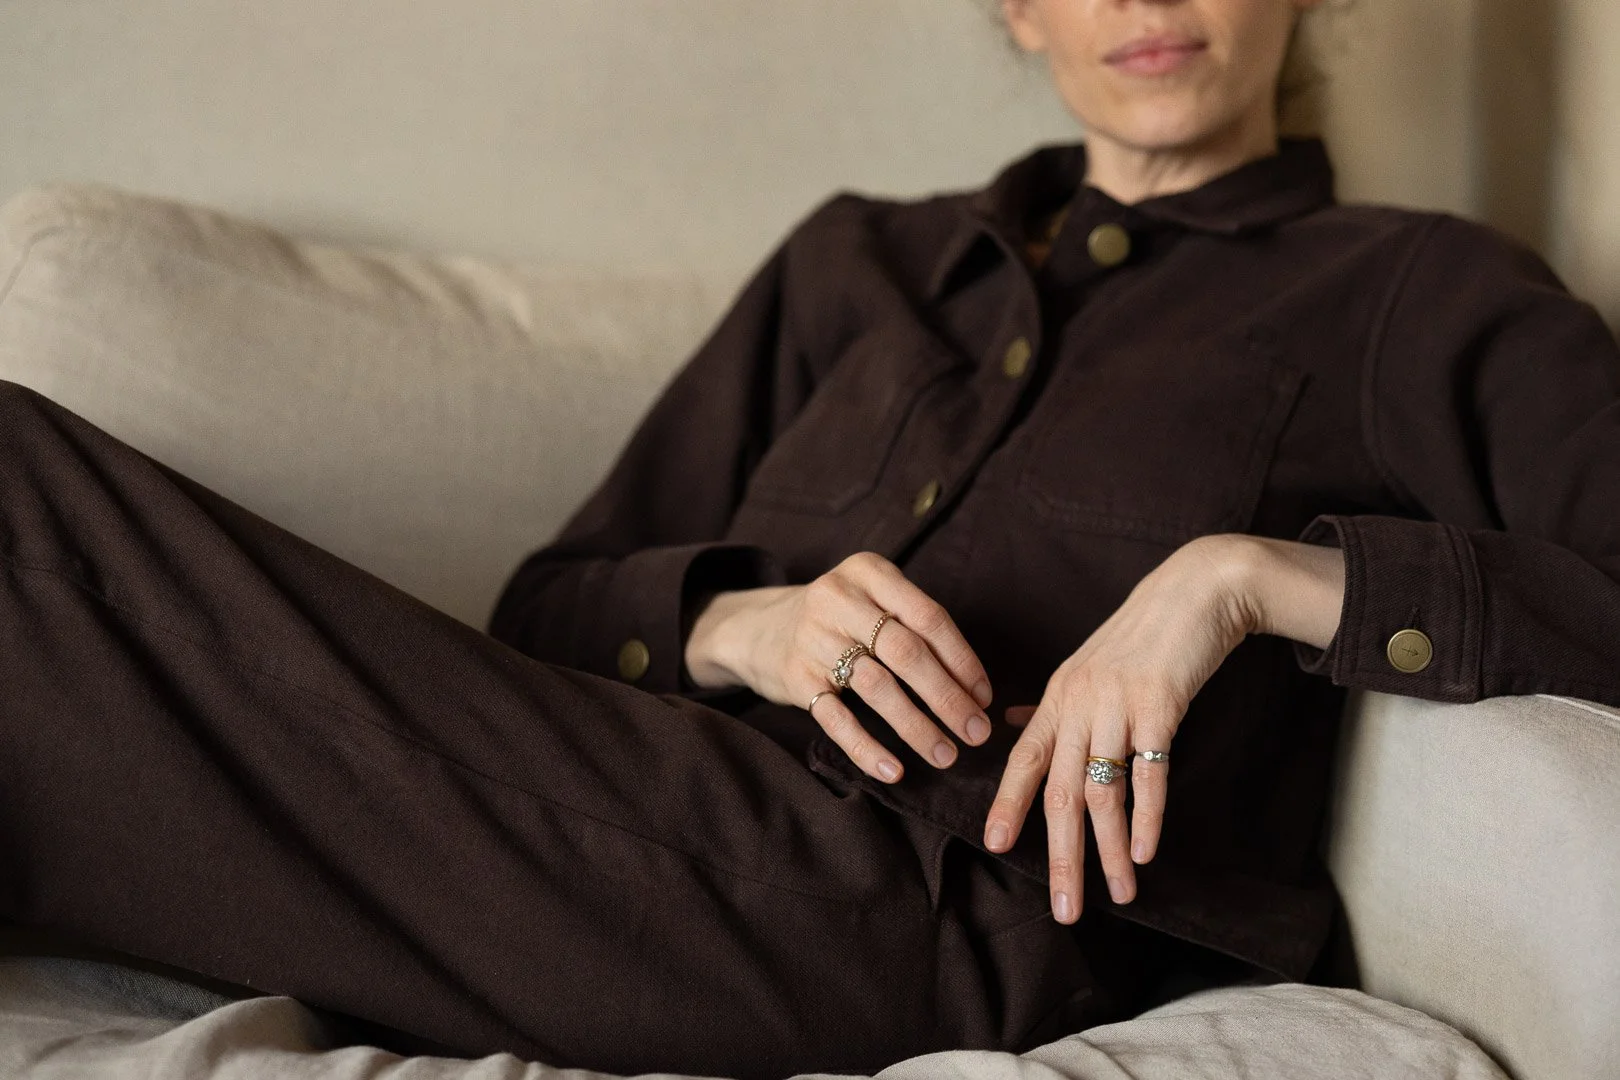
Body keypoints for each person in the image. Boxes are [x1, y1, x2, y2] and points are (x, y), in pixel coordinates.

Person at [2, 1, 1618, 1078]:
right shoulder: (858, 262)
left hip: (944, 908)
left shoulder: (1427, 292)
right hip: (630, 800)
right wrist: (737, 625)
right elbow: (552, 602)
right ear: (1015, 7)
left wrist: (1245, 582)